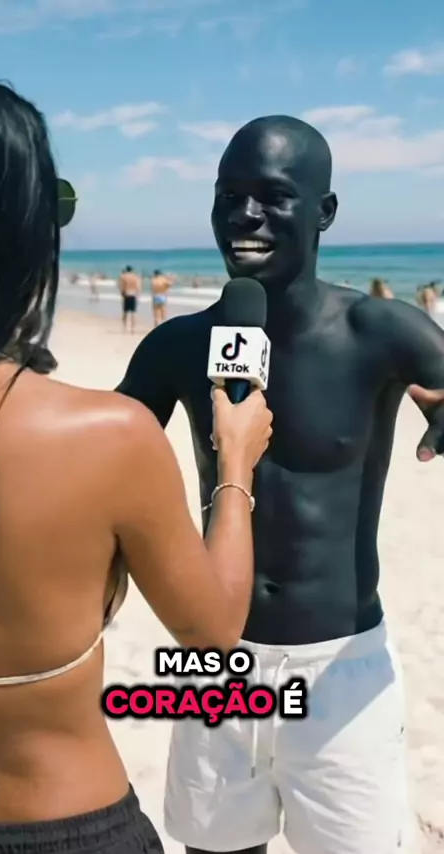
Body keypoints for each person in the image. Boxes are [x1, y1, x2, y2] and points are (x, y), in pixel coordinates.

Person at [117, 114, 444, 854]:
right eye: (228, 196)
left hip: (341, 667)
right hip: (214, 663)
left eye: (272, 196)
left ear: (324, 211)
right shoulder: (176, 345)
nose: (245, 214)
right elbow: (100, 455)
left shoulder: (384, 331)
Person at [0, 77, 273, 854]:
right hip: (73, 820)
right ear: (24, 235)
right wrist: (235, 464)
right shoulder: (107, 435)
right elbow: (213, 633)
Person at [119, 265, 141, 332]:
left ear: (126, 270)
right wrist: (138, 295)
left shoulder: (123, 276)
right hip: (133, 294)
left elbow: (121, 287)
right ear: (132, 270)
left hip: (126, 294)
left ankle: (124, 328)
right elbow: (138, 287)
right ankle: (132, 328)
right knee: (133, 313)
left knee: (125, 312)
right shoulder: (135, 277)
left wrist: (122, 294)